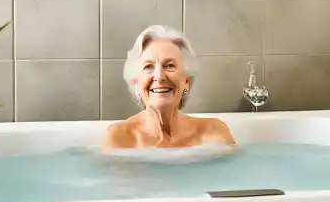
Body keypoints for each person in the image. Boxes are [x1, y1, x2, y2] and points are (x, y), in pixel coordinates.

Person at [101, 25, 237, 151]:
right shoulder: (118, 139)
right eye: (148, 67)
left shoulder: (214, 134)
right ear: (136, 83)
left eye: (169, 65)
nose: (159, 77)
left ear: (186, 81)